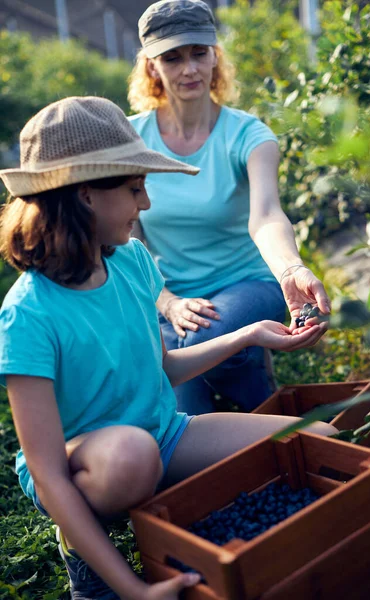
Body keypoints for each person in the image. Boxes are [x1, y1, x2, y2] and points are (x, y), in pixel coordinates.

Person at [0, 96, 335, 600]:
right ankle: (82, 547)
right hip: (94, 467)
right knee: (132, 456)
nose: (146, 205)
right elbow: (47, 474)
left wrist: (247, 334)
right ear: (87, 195)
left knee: (320, 438)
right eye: (135, 189)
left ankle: (165, 505)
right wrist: (133, 590)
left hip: (163, 435)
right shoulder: (29, 313)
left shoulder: (132, 261)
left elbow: (162, 368)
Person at [127, 0, 331, 415]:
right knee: (181, 418)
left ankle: (288, 427)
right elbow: (127, 237)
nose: (189, 69)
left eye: (199, 53)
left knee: (200, 342)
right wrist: (164, 301)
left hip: (247, 285)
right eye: (172, 57)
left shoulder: (248, 134)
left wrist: (291, 268)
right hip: (171, 298)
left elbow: (266, 215)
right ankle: (248, 363)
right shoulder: (131, 140)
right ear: (151, 65)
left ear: (214, 56)